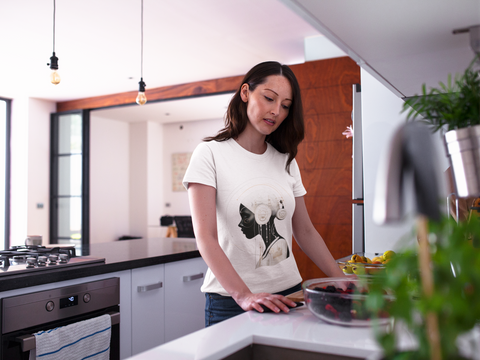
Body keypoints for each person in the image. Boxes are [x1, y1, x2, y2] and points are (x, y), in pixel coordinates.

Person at [182, 61, 346, 327]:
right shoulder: (210, 153)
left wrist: (341, 279)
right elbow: (205, 237)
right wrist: (244, 295)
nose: (276, 111)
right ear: (245, 93)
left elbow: (304, 231)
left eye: (285, 105)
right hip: (232, 301)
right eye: (269, 98)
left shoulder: (286, 160)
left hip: (290, 294)